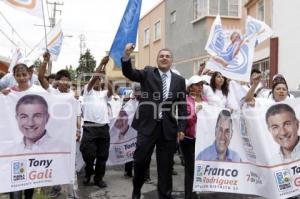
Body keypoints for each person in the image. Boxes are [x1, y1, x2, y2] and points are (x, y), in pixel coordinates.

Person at [122, 43, 187, 199]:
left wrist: (181, 128)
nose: (164, 58)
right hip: (147, 127)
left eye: (167, 56)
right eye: (161, 56)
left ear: (172, 61)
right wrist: (126, 56)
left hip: (168, 129)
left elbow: (182, 107)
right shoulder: (148, 73)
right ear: (157, 60)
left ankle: (165, 195)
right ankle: (137, 189)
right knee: (140, 161)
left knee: (165, 166)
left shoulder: (179, 80)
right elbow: (130, 72)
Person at [80, 56, 112, 188]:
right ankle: (88, 173)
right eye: (96, 79)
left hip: (103, 127)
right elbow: (93, 78)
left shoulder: (104, 94)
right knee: (89, 154)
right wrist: (101, 64)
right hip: (90, 127)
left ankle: (99, 178)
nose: (98, 81)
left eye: (100, 80)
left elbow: (111, 90)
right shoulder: (87, 91)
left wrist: (105, 77)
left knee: (102, 156)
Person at [180, 75, 207, 199]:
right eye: (197, 85)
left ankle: (196, 192)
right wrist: (196, 113)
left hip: (203, 139)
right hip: (189, 139)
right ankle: (189, 195)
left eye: (201, 85)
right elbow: (185, 119)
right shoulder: (186, 100)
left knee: (200, 168)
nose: (200, 87)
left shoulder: (206, 99)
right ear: (191, 87)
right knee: (190, 168)